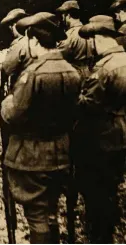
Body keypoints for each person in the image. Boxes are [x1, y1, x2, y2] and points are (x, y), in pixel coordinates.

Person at [1, 12, 81, 244]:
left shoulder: (33, 74)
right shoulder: (71, 71)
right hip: (61, 151)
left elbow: (14, 114)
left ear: (34, 41)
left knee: (36, 214)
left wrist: (7, 102)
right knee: (51, 209)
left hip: (32, 155)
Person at [75, 15, 126, 244]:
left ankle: (100, 235)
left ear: (98, 39)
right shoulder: (124, 59)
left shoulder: (104, 68)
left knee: (96, 186)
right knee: (112, 183)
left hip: (102, 135)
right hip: (121, 132)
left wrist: (75, 97)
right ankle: (109, 224)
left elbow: (90, 104)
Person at [56, 0, 94, 80]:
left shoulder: (69, 35)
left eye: (63, 15)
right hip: (90, 72)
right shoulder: (89, 31)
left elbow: (59, 56)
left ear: (68, 15)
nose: (62, 18)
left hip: (74, 74)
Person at [0, 8, 32, 88]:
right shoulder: (36, 39)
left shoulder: (19, 45)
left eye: (11, 25)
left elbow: (6, 68)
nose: (10, 28)